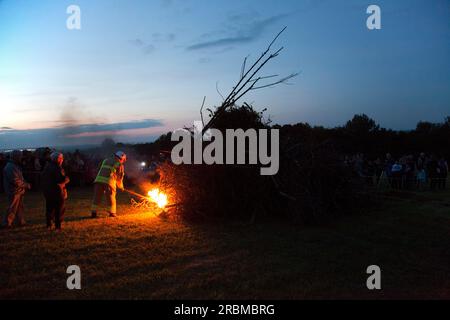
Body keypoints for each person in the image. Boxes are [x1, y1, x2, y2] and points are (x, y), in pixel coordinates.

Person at [91, 151, 127, 218]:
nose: (123, 162)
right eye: (124, 160)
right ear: (122, 158)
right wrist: (121, 186)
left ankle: (93, 212)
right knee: (111, 198)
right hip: (109, 182)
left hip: (98, 180)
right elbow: (119, 177)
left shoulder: (105, 160)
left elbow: (100, 169)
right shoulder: (119, 164)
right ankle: (112, 213)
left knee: (97, 197)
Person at [2, 150, 31, 228]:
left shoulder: (13, 165)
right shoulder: (10, 167)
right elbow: (15, 180)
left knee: (19, 207)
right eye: (20, 156)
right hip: (14, 191)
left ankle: (20, 221)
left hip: (17, 190)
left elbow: (18, 178)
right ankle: (6, 223)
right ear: (15, 157)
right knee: (12, 207)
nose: (21, 158)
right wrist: (25, 185)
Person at [41, 152, 70, 231]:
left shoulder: (47, 166)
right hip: (57, 191)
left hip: (48, 191)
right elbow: (61, 179)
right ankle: (57, 226)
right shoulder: (58, 168)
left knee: (49, 208)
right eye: (61, 158)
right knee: (59, 209)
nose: (62, 160)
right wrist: (67, 179)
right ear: (58, 159)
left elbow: (43, 177)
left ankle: (48, 225)